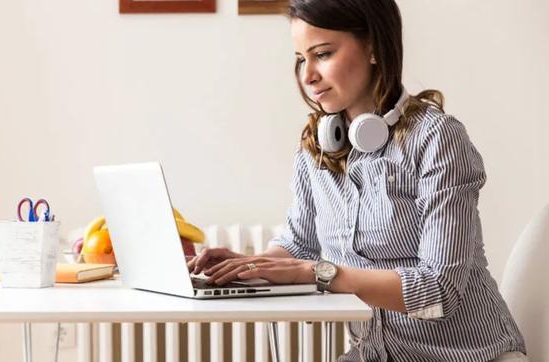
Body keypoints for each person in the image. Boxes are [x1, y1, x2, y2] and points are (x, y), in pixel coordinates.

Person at [187, 0, 527, 361]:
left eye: (323, 54)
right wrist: (249, 266)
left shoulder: (437, 139)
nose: (308, 75)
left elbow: (438, 290)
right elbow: (299, 244)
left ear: (374, 48)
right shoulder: (317, 147)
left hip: (466, 354)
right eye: (302, 58)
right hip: (374, 354)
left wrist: (318, 273)